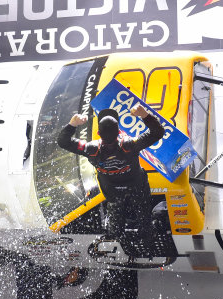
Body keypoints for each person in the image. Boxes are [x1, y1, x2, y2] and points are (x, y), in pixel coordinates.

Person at [57, 103, 164, 245]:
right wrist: (144, 115)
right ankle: (147, 240)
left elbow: (63, 142)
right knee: (144, 215)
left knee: (115, 220)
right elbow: (157, 132)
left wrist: (72, 124)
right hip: (137, 189)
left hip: (112, 193)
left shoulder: (90, 149)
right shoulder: (130, 145)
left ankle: (118, 242)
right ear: (119, 132)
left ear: (98, 133)